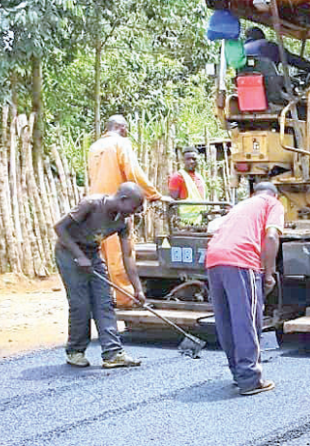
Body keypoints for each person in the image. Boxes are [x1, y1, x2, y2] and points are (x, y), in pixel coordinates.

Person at [53, 182, 147, 369]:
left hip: (92, 254)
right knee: (81, 304)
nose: (134, 212)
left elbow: (127, 255)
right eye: (134, 207)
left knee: (104, 301)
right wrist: (79, 256)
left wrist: (138, 289)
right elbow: (59, 228)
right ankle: (75, 351)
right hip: (68, 253)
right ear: (123, 199)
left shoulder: (124, 221)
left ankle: (113, 353)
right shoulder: (91, 204)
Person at [204, 182, 283, 396]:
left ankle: (237, 373)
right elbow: (272, 236)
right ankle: (249, 378)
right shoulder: (272, 203)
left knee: (226, 319)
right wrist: (269, 273)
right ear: (276, 195)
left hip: (214, 259)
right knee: (246, 319)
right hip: (241, 260)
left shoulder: (240, 206)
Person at [87, 115, 163, 306]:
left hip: (96, 207)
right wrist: (153, 194)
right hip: (118, 207)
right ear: (122, 128)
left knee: (102, 257)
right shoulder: (121, 144)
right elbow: (133, 174)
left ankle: (106, 296)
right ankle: (126, 298)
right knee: (119, 255)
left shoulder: (94, 147)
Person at [168, 147, 207, 225]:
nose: (191, 162)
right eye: (188, 159)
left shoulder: (200, 177)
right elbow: (172, 203)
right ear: (183, 160)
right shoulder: (178, 177)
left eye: (194, 159)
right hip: (184, 224)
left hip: (200, 222)